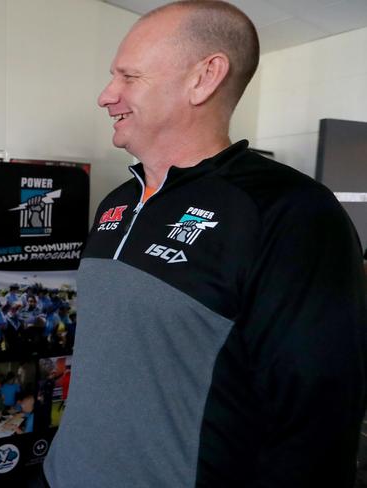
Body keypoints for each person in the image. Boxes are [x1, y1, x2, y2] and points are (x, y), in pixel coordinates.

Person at [43, 2, 367, 488]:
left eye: (129, 76)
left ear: (205, 77)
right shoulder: (118, 201)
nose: (106, 95)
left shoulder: (290, 212)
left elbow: (318, 422)